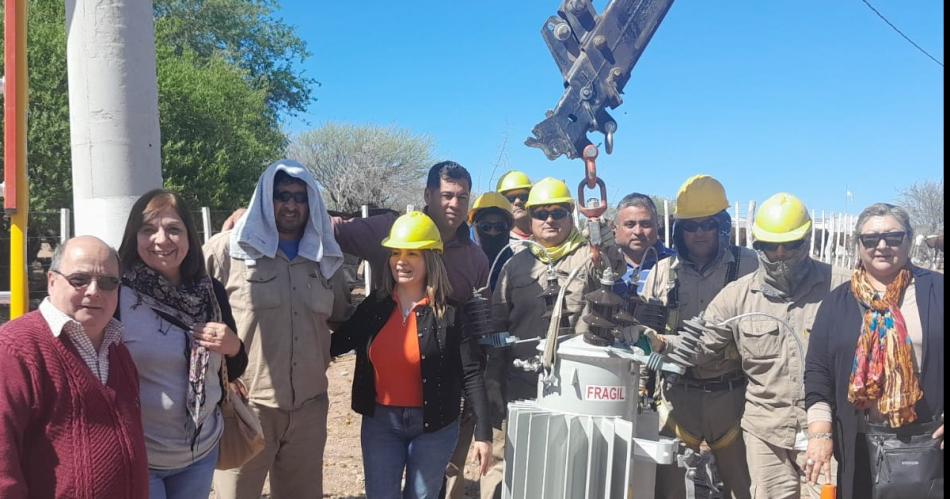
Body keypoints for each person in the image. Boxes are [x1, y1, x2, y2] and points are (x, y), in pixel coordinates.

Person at [657, 192, 850, 499]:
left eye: (792, 244)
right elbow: (701, 343)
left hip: (825, 431)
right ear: (758, 245)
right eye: (770, 246)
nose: (781, 254)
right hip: (766, 435)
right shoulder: (738, 295)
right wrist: (658, 343)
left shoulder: (844, 286)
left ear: (808, 239)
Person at [329, 161, 491, 499]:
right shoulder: (375, 308)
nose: (402, 260)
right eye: (396, 253)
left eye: (413, 254)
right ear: (429, 194)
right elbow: (334, 344)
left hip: (436, 422)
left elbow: (472, 370)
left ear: (429, 259)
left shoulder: (452, 310)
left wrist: (484, 433)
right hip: (381, 425)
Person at [204, 160, 351, 499]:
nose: (291, 205)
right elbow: (190, 298)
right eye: (282, 195)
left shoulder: (324, 258)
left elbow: (341, 317)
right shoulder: (228, 250)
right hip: (245, 406)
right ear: (265, 200)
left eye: (300, 197)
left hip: (309, 409)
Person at [485, 177, 616, 498]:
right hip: (521, 386)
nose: (550, 220)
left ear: (572, 215)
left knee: (570, 471)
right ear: (530, 219)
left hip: (577, 387)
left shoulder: (591, 258)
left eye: (558, 212)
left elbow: (615, 275)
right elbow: (495, 327)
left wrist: (602, 240)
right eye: (541, 214)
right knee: (509, 467)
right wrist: (492, 386)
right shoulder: (515, 266)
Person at [804, 203, 944, 499]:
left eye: (893, 237)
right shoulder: (836, 303)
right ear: (858, 245)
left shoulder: (937, 291)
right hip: (859, 444)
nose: (882, 246)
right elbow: (817, 374)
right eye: (871, 239)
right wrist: (819, 434)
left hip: (927, 441)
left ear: (908, 240)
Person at [116, 189, 248, 499]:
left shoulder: (210, 292)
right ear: (134, 236)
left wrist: (232, 346)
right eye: (148, 229)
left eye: (173, 229)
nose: (161, 239)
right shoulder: (118, 295)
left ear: (189, 236)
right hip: (140, 455)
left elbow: (234, 367)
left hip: (200, 453)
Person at [0, 236, 149, 497]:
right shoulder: (16, 348)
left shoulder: (118, 350)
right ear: (52, 281)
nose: (94, 291)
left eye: (107, 282)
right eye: (79, 279)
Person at [641, 175, 758, 499]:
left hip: (734, 398)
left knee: (744, 489)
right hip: (678, 399)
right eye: (691, 226)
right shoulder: (663, 272)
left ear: (723, 225)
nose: (700, 233)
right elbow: (646, 338)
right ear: (679, 231)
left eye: (708, 224)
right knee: (670, 490)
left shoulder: (751, 266)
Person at [612, 192, 674, 299]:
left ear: (657, 226)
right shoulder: (605, 265)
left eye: (645, 224)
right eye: (630, 225)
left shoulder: (675, 263)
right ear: (615, 228)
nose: (638, 231)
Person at [469, 191, 515, 291]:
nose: (492, 232)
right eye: (485, 227)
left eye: (500, 227)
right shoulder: (460, 257)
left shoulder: (513, 262)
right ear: (474, 225)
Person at [495, 170, 533, 251]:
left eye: (523, 197)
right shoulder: (499, 242)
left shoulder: (546, 234)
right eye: (510, 199)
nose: (517, 202)